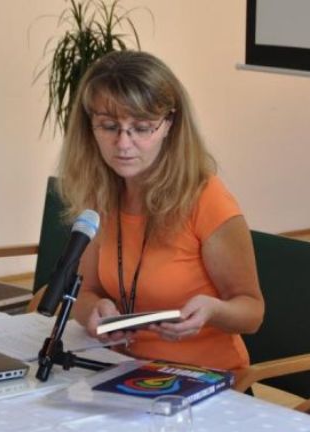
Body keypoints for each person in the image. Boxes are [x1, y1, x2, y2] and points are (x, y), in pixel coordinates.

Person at [56, 50, 264, 371]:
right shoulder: (100, 193)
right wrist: (94, 310)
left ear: (169, 125)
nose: (123, 144)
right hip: (121, 369)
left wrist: (213, 311)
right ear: (89, 127)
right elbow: (85, 292)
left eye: (142, 128)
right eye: (109, 126)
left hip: (205, 377)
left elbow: (252, 313)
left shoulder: (206, 197)